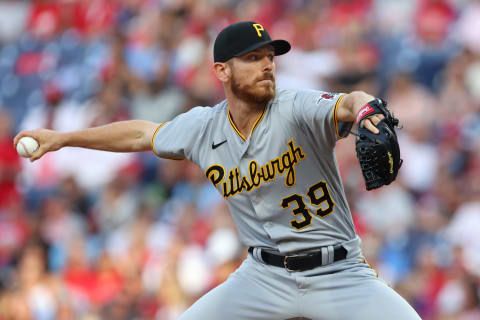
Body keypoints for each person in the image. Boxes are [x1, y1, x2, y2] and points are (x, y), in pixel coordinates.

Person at [14, 21, 421, 320]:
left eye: (269, 56)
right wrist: (62, 138)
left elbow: (349, 102)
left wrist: (368, 109)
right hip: (263, 277)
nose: (267, 65)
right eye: (252, 57)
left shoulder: (295, 107)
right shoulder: (203, 128)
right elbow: (141, 134)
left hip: (337, 272)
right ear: (221, 71)